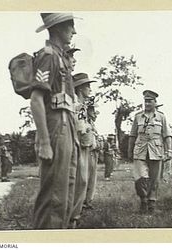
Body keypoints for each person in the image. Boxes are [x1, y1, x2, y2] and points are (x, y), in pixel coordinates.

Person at [31, 13, 78, 229]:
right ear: (58, 28)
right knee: (53, 196)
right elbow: (37, 99)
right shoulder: (49, 55)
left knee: (65, 187)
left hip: (67, 124)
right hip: (56, 127)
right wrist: (44, 141)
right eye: (70, 26)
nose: (74, 32)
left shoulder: (61, 57)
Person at [128, 90, 172, 213]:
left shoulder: (161, 117)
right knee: (140, 177)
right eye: (145, 101)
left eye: (150, 101)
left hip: (156, 150)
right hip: (140, 149)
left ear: (155, 102)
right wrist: (129, 150)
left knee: (154, 179)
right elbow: (132, 135)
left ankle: (151, 204)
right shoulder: (138, 116)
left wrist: (169, 150)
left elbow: (167, 135)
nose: (147, 103)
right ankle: (143, 199)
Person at [70, 72, 96, 228]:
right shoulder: (75, 104)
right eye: (87, 86)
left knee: (84, 180)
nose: (90, 89)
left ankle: (75, 214)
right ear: (80, 88)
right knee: (80, 180)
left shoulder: (83, 105)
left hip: (85, 144)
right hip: (77, 144)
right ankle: (72, 215)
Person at [84, 104, 100, 209]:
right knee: (85, 177)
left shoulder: (92, 124)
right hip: (86, 151)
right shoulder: (84, 123)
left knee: (92, 178)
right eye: (93, 112)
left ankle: (88, 200)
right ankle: (82, 201)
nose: (95, 115)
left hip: (94, 152)